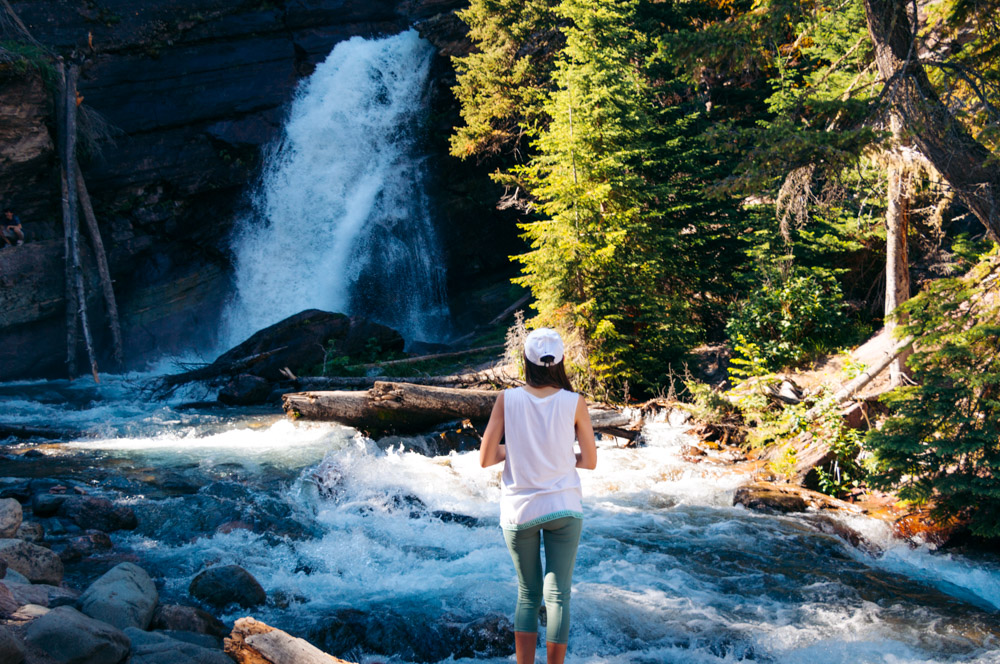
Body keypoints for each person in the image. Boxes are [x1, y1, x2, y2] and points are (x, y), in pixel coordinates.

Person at [479, 327, 598, 664]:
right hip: (563, 506)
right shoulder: (575, 402)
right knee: (558, 597)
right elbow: (589, 461)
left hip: (520, 511)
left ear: (526, 362)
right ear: (559, 361)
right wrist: (561, 457)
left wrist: (515, 452)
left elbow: (486, 458)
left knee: (528, 595)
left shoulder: (507, 399)